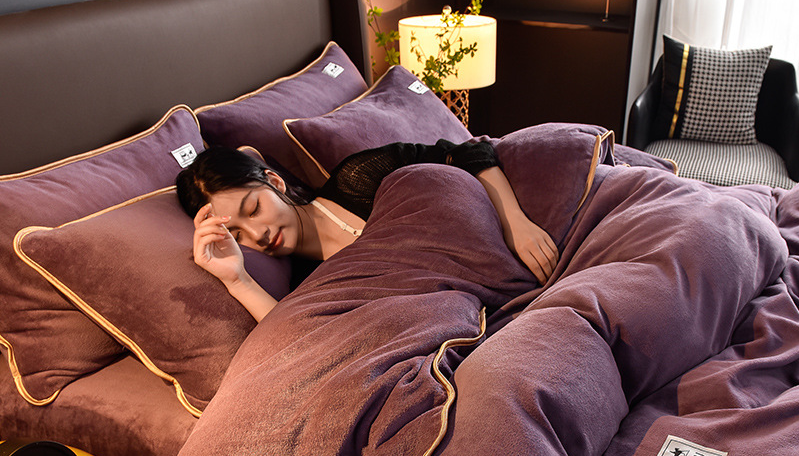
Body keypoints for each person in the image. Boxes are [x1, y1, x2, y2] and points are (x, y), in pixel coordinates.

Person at [176, 140, 559, 321]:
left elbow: (465, 154)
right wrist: (237, 280)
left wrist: (516, 224)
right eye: (237, 235)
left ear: (274, 182)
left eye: (253, 209)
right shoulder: (310, 285)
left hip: (523, 261)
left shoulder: (359, 178)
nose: (257, 234)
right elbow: (296, 338)